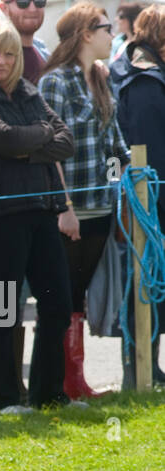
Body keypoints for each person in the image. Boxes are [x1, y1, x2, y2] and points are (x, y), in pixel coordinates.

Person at [0, 16, 75, 412]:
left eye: (9, 54)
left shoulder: (28, 91)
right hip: (2, 215)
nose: (1, 61)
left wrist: (27, 143)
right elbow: (3, 139)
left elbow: (67, 141)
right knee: (5, 311)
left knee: (57, 305)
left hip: (43, 210)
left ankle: (50, 394)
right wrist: (38, 137)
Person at [39, 3, 130, 399]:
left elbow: (114, 141)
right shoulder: (55, 82)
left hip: (101, 203)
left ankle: (74, 379)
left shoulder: (100, 78)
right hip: (71, 207)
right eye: (106, 28)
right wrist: (65, 208)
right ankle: (64, 380)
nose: (113, 35)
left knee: (78, 292)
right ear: (86, 34)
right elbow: (50, 151)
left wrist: (126, 178)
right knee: (65, 292)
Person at [110, 1, 165, 386]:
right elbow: (149, 154)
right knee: (148, 281)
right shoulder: (146, 82)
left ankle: (150, 366)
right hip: (153, 203)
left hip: (156, 200)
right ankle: (139, 369)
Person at [0, 0, 50, 82]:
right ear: (4, 8)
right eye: (23, 2)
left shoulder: (42, 49)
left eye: (39, 1)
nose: (33, 9)